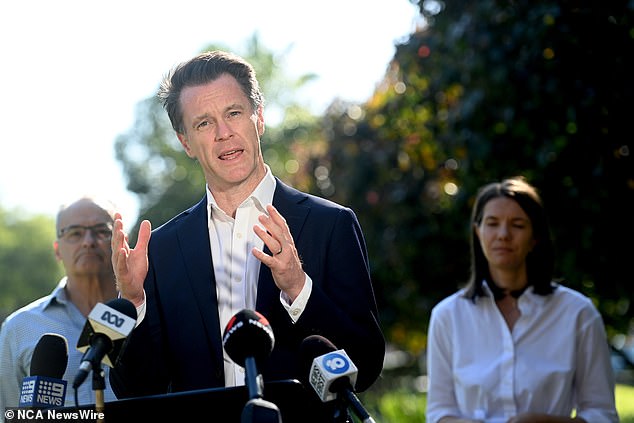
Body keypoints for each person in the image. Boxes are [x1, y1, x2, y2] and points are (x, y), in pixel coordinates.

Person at [109, 50, 385, 418]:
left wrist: (298, 287)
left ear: (260, 118)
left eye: (234, 113)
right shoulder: (160, 250)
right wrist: (133, 302)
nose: (224, 133)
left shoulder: (330, 225)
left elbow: (364, 366)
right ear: (186, 142)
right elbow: (136, 390)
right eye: (204, 123)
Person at [425, 176, 619, 423]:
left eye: (517, 224)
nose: (503, 234)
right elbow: (438, 414)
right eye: (492, 223)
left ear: (535, 237)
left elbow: (603, 415)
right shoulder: (447, 316)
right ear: (478, 231)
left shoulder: (578, 313)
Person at [0, 196, 119, 417]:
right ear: (57, 249)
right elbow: (8, 416)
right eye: (75, 233)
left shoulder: (149, 313)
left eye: (101, 231)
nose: (88, 241)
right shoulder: (19, 327)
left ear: (120, 241)